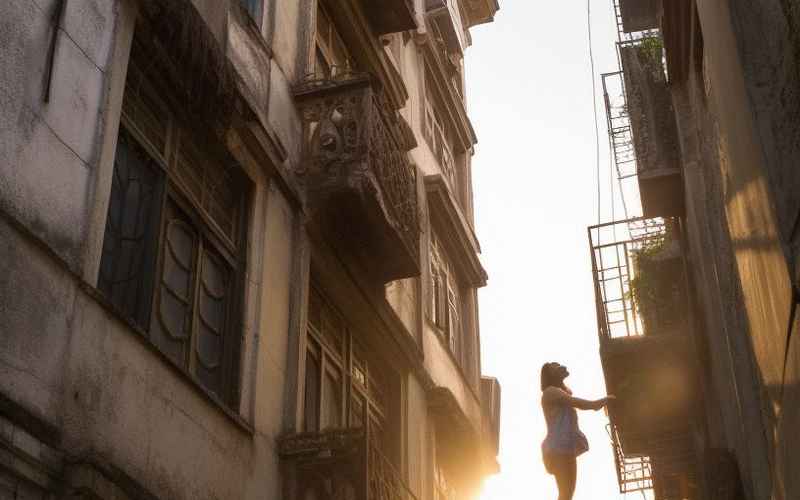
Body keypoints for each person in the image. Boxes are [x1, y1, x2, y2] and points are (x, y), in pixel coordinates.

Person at [540, 362, 615, 500]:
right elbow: (578, 403)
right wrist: (599, 403)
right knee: (566, 494)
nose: (558, 366)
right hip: (558, 448)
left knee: (567, 494)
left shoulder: (559, 392)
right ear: (550, 375)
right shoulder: (550, 392)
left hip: (565, 448)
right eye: (554, 367)